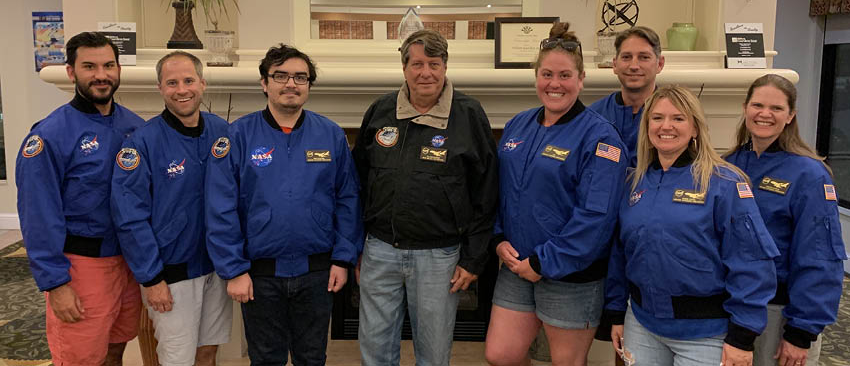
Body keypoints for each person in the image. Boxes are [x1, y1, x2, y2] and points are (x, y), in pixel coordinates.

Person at [205, 44, 363, 365]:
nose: (291, 84)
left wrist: (343, 260)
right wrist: (234, 270)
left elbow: (348, 200)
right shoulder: (238, 136)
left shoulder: (330, 135)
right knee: (265, 360)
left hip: (318, 273)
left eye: (300, 77)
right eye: (281, 76)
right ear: (265, 83)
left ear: (308, 85)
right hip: (259, 276)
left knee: (312, 358)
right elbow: (220, 207)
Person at [483, 22, 628, 366]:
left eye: (565, 75)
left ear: (581, 79)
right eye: (547, 74)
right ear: (536, 76)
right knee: (500, 355)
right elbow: (501, 190)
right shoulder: (519, 124)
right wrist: (498, 237)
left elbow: (596, 217)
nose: (555, 84)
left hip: (571, 275)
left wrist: (544, 262)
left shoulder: (601, 138)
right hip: (516, 266)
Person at [603, 85, 779, 366]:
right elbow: (620, 254)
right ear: (647, 127)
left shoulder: (725, 183)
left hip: (705, 334)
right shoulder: (633, 182)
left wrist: (742, 337)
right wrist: (615, 312)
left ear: (695, 128)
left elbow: (752, 262)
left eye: (678, 118)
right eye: (657, 118)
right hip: (642, 324)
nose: (666, 126)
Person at [352, 29, 499, 365]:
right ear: (404, 68)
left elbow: (487, 191)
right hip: (380, 251)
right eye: (417, 64)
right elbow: (357, 181)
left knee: (433, 355)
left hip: (440, 258)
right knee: (374, 351)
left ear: (445, 67)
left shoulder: (469, 114)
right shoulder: (381, 110)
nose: (426, 73)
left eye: (434, 63)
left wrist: (473, 258)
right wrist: (356, 246)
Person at [16, 31, 145, 366]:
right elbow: (37, 214)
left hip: (129, 263)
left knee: (117, 346)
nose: (101, 75)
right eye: (89, 66)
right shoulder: (49, 135)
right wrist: (55, 284)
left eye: (108, 65)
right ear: (71, 72)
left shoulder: (136, 127)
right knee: (80, 359)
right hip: (81, 266)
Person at [111, 51, 233, 366]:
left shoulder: (223, 133)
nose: (182, 90)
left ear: (202, 84)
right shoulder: (142, 143)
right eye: (172, 83)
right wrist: (151, 279)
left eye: (189, 80)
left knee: (208, 351)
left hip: (217, 268)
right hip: (171, 273)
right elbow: (129, 217)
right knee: (177, 358)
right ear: (160, 88)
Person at [724, 74, 847, 366]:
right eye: (757, 105)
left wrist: (800, 332)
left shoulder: (809, 174)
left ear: (790, 115)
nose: (764, 114)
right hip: (732, 305)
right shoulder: (728, 165)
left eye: (776, 108)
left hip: (780, 312)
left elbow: (820, 256)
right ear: (745, 108)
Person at [589, 26, 665, 167]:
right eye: (626, 57)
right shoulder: (594, 116)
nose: (634, 65)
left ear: (659, 64)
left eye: (644, 57)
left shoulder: (675, 117)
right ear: (615, 64)